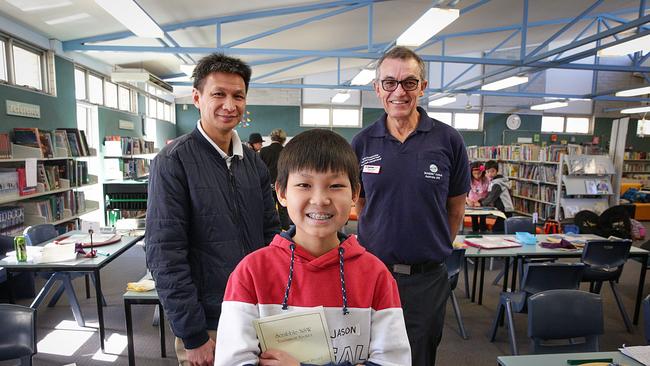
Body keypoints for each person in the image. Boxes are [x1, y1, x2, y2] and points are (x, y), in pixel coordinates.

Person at [214, 129, 411, 366]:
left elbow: (394, 361)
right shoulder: (251, 272)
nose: (320, 199)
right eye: (305, 184)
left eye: (336, 185)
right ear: (281, 193)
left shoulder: (376, 275)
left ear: (354, 193)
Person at [145, 53, 280, 366]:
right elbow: (164, 253)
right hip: (207, 321)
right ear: (197, 97)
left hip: (256, 311)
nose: (229, 105)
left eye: (238, 96)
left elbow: (270, 232)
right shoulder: (172, 162)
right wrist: (193, 336)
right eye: (218, 94)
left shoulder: (253, 162)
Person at [351, 46, 470, 366]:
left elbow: (455, 208)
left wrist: (435, 245)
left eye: (409, 83)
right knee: (369, 354)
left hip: (426, 279)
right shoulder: (362, 142)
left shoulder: (449, 140)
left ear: (423, 87)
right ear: (377, 89)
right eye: (389, 83)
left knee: (419, 355)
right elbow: (360, 203)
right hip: (372, 274)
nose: (398, 92)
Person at [260, 128, 291, 230]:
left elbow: (260, 169)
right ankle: (285, 230)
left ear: (271, 137)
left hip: (267, 185)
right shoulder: (286, 151)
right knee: (283, 209)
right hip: (283, 184)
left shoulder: (263, 151)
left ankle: (271, 230)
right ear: (283, 139)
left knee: (269, 209)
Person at [480, 160, 514, 233]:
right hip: (503, 210)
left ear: (497, 171)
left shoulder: (497, 183)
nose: (490, 174)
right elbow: (489, 195)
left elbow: (491, 197)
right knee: (499, 228)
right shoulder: (494, 181)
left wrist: (480, 204)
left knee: (497, 229)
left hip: (505, 210)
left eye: (492, 171)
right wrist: (480, 200)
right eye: (488, 172)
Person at [467, 161, 489, 233]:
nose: (477, 175)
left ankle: (483, 232)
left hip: (482, 202)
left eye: (479, 173)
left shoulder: (486, 180)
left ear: (482, 172)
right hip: (472, 202)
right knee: (474, 218)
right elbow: (463, 192)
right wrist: (467, 200)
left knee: (483, 218)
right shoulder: (468, 180)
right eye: (475, 174)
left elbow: (489, 192)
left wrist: (481, 202)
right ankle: (475, 232)